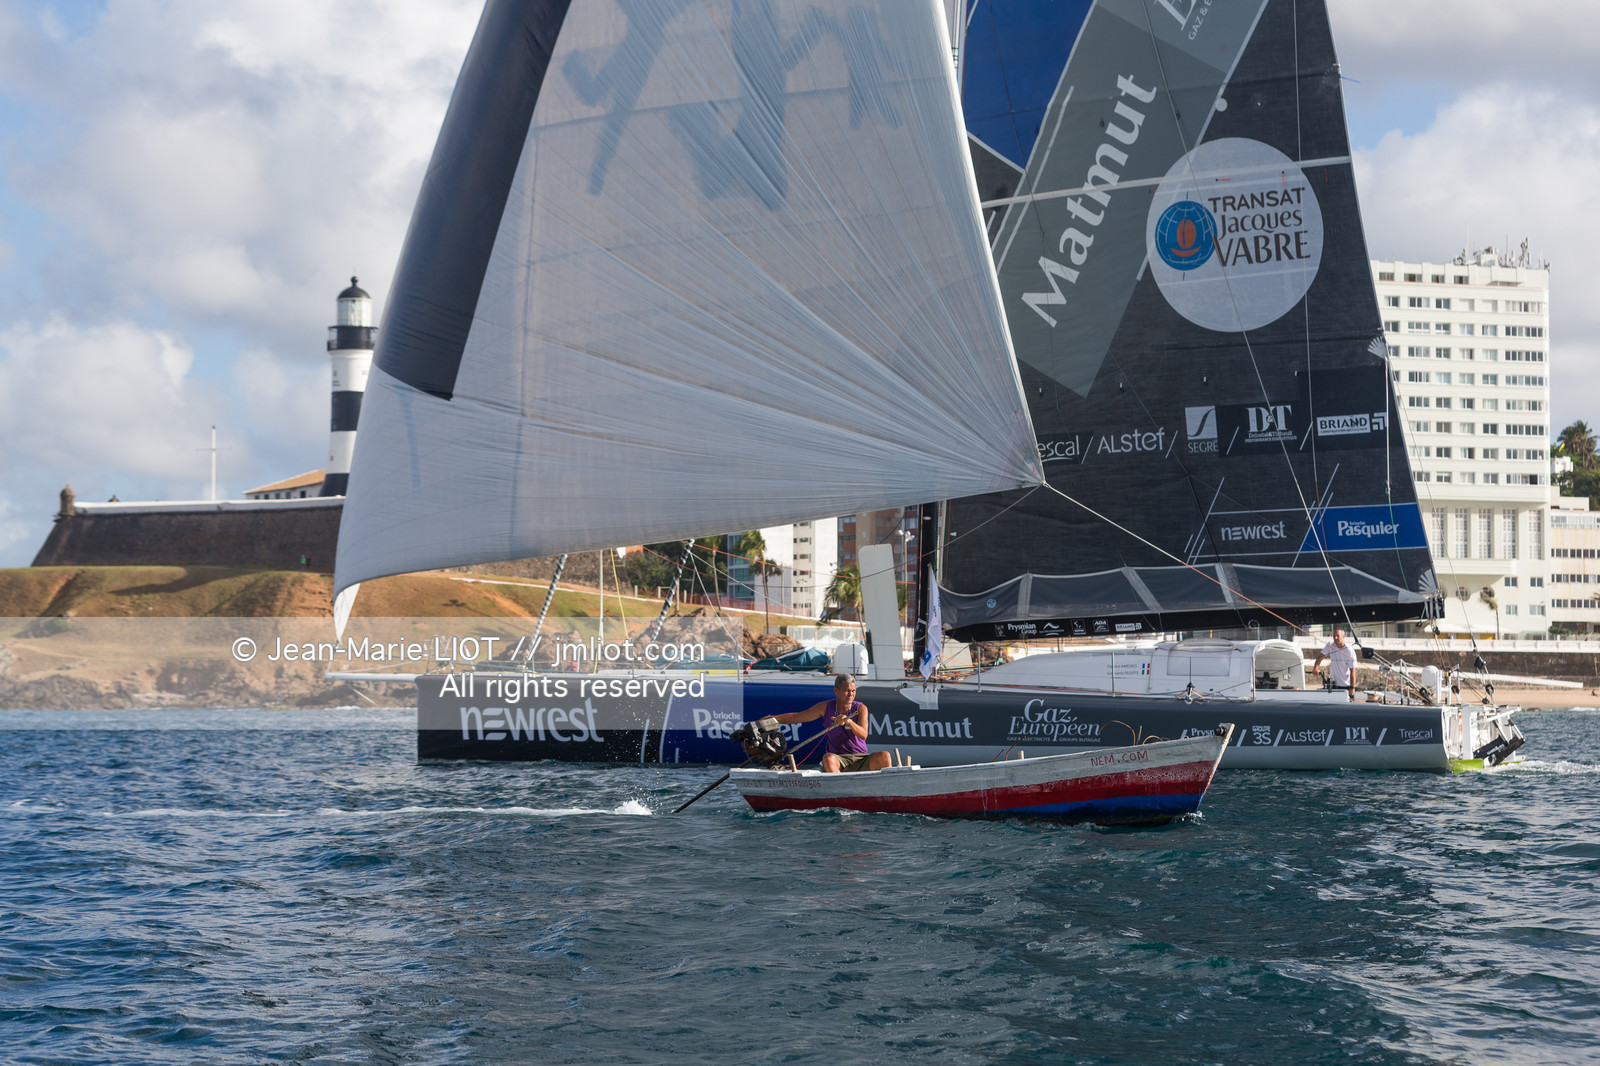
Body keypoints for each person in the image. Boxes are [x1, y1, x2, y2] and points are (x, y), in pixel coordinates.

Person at [767, 674, 891, 772]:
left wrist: (849, 722)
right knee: (828, 758)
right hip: (838, 759)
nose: (851, 695)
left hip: (860, 757)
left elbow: (863, 735)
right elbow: (797, 717)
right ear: (836, 691)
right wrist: (772, 719)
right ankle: (842, 793)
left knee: (885, 756)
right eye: (847, 691)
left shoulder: (860, 708)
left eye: (853, 691)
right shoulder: (825, 707)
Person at [1312, 628, 1358, 701]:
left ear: (1343, 636)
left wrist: (1352, 687)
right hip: (1333, 685)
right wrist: (1315, 668)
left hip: (1345, 686)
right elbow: (1320, 657)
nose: (1335, 638)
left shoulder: (1349, 650)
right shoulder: (1330, 645)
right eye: (1334, 636)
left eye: (1337, 636)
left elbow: (1353, 670)